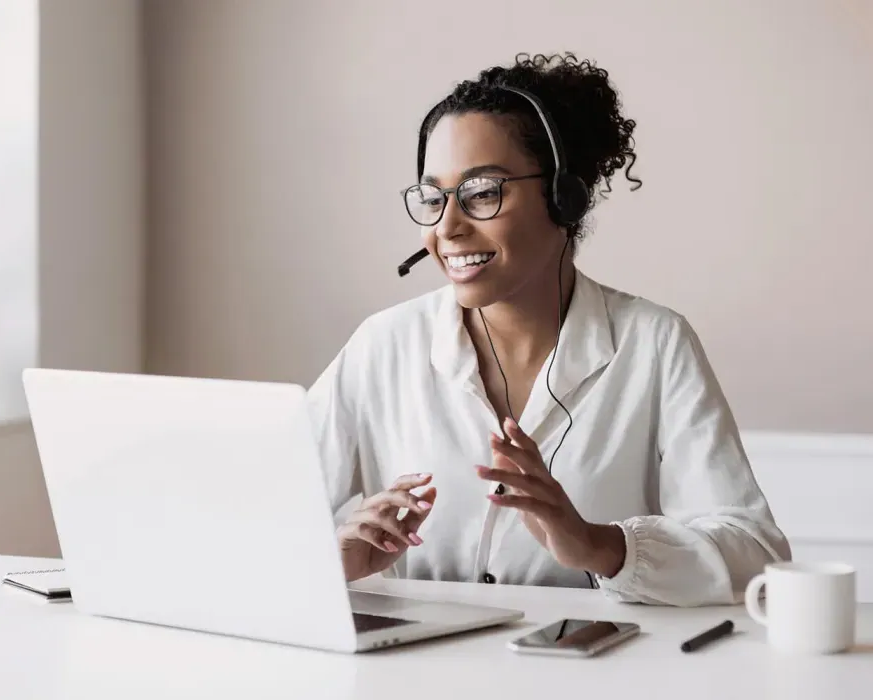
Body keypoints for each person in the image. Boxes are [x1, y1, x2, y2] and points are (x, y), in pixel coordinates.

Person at [307, 51, 790, 606]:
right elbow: (255, 525)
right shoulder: (382, 346)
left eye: (482, 193)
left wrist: (600, 545)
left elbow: (756, 556)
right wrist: (331, 558)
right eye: (434, 198)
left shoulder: (654, 344)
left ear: (565, 197)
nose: (447, 228)